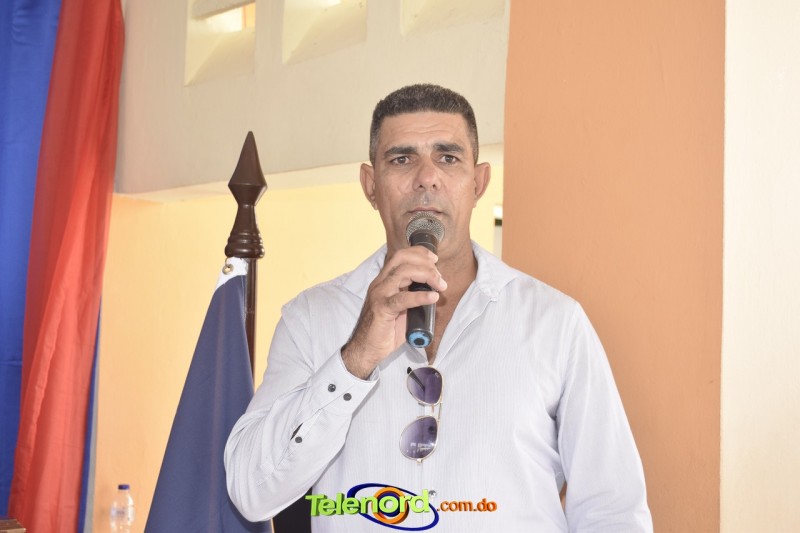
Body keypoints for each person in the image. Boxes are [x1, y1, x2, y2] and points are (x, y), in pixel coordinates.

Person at [225, 84, 653, 532]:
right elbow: (251, 493)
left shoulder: (554, 322)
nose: (426, 178)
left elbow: (612, 510)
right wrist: (355, 358)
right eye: (401, 159)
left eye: (448, 158)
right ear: (370, 186)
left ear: (478, 182)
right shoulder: (311, 319)